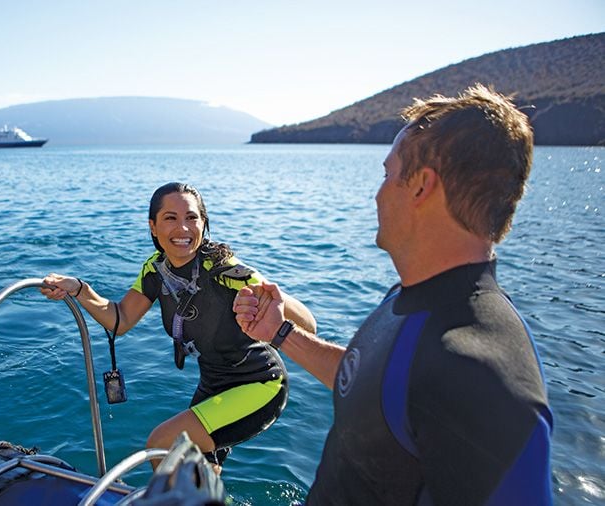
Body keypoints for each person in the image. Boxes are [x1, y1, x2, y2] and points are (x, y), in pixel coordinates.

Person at [233, 85, 553, 504]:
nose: (377, 193)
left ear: (421, 186)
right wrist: (280, 333)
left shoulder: (481, 371)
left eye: (388, 174)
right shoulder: (411, 300)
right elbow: (370, 385)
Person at [41, 182, 316, 471]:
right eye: (170, 218)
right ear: (153, 226)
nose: (183, 229)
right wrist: (80, 289)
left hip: (260, 384)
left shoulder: (224, 270)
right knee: (200, 472)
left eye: (192, 218)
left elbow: (309, 325)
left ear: (203, 224)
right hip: (213, 386)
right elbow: (119, 319)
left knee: (163, 443)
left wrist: (270, 293)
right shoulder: (155, 270)